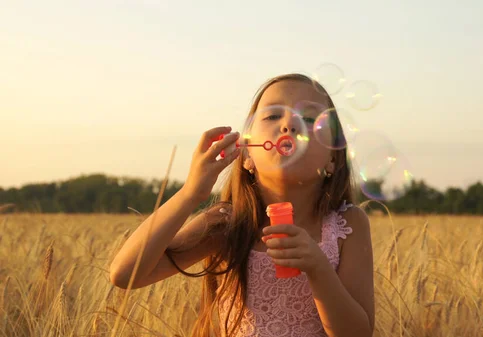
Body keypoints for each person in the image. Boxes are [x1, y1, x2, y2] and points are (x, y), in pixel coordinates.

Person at [109, 73, 375, 337]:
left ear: (333, 159)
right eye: (273, 116)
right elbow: (125, 274)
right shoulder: (228, 222)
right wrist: (190, 193)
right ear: (247, 153)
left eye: (308, 119)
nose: (289, 124)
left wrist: (319, 269)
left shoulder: (346, 224)